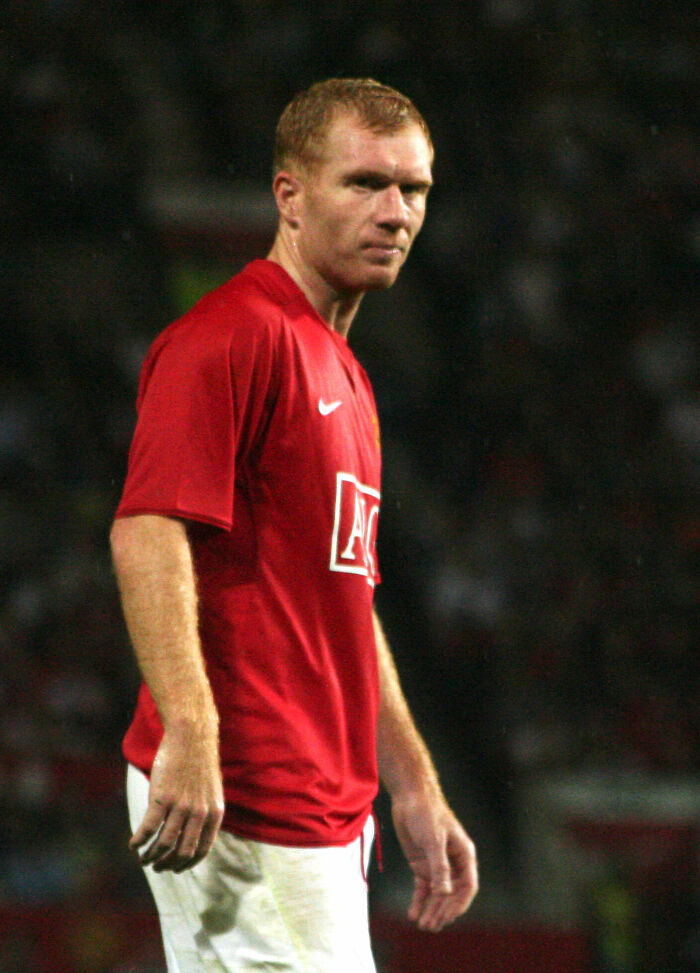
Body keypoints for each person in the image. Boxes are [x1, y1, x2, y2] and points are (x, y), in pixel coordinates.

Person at [110, 77, 478, 973]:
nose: (395, 212)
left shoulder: (341, 367)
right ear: (290, 195)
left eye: (413, 189)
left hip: (321, 806)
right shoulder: (231, 336)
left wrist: (413, 780)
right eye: (364, 183)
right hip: (248, 799)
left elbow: (343, 600)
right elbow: (148, 529)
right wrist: (193, 732)